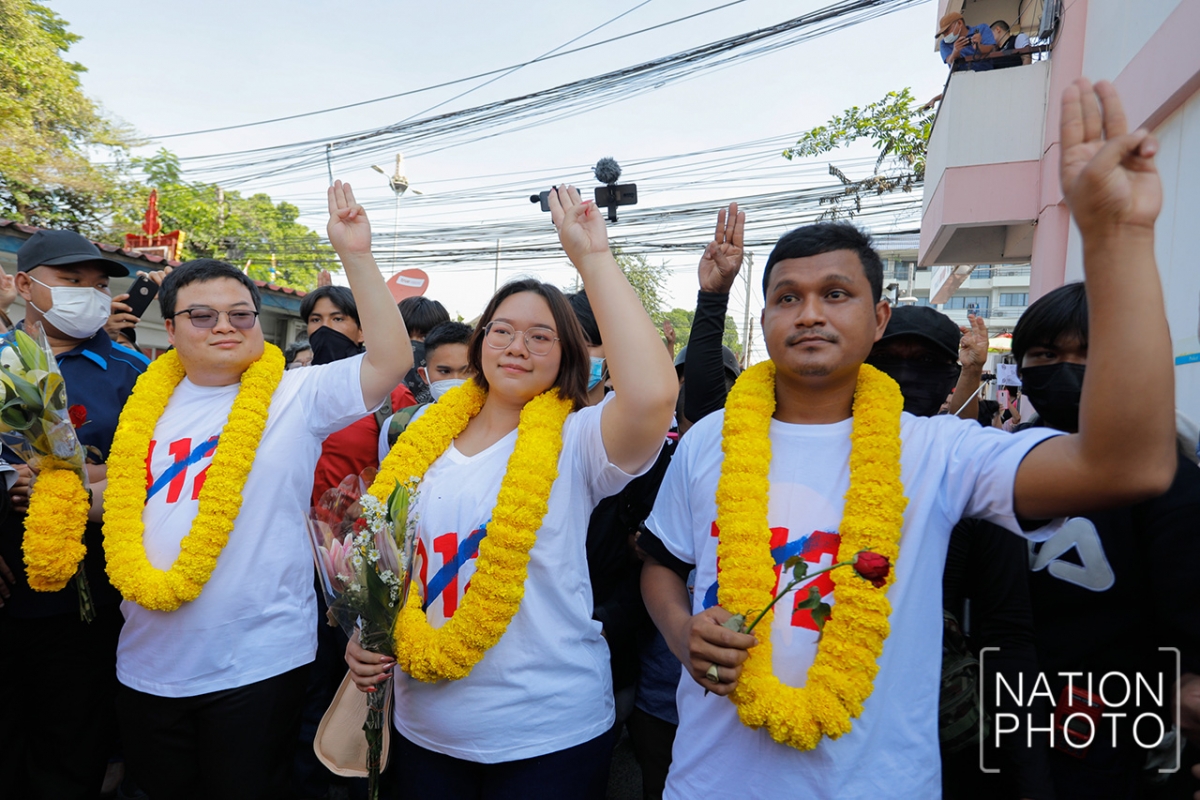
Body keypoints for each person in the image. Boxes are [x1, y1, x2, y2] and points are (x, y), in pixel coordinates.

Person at [638, 79, 1177, 797]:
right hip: (710, 783)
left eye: (836, 294)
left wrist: (1118, 239)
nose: (809, 314)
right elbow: (660, 564)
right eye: (787, 298)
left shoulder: (938, 451)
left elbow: (1128, 466)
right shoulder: (710, 439)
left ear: (879, 318)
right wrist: (681, 632)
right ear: (764, 320)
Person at [345, 184, 677, 799]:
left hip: (547, 733)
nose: (517, 346)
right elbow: (385, 557)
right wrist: (363, 635)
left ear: (567, 354)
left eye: (541, 336)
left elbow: (655, 395)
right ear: (479, 343)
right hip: (424, 725)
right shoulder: (422, 433)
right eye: (501, 330)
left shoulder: (579, 439)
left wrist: (593, 259)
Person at [96, 181, 411, 800]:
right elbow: (128, 499)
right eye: (202, 316)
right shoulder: (144, 405)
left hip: (258, 661)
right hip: (147, 661)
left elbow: (390, 360)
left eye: (241, 314)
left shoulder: (296, 395)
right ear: (171, 326)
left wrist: (356, 255)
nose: (225, 326)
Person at [1011, 281, 1200, 799]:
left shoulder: (1172, 480)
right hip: (1000, 726)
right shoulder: (995, 468)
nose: (1068, 369)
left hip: (1119, 739)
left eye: (1091, 354)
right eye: (1046, 354)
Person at [866, 305, 1054, 800]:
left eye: (926, 363)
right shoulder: (814, 455)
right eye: (889, 359)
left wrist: (1027, 774)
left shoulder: (970, 473)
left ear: (948, 378)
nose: (906, 375)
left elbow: (1008, 632)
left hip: (936, 725)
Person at [0, 229, 150, 800]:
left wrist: (68, 483)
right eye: (71, 281)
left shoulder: (133, 373)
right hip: (6, 583)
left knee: (71, 743)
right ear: (24, 285)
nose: (88, 294)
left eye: (97, 285)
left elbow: (151, 473)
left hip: (89, 596)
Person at [294, 284, 415, 799]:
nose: (325, 329)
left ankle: (355, 772)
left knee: (354, 676)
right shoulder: (291, 388)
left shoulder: (393, 400)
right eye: (315, 320)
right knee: (306, 681)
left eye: (338, 319)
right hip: (301, 559)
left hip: (361, 564)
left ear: (363, 330)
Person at [378, 319, 475, 457]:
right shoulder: (399, 425)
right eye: (445, 371)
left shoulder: (501, 427)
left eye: (467, 371)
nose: (456, 380)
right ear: (424, 375)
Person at [398, 295, 450, 405]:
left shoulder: (456, 392)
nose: (413, 347)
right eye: (405, 336)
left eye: (425, 337)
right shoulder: (374, 396)